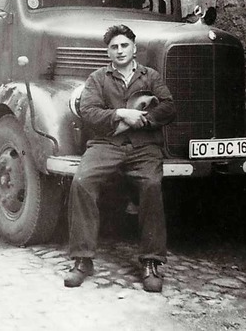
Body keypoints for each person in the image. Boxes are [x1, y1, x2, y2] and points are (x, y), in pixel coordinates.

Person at [64, 24, 176, 292]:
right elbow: (88, 111)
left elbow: (169, 107)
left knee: (151, 185)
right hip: (106, 144)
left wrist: (143, 120)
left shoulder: (150, 76)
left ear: (134, 48)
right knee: (82, 181)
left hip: (144, 146)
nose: (120, 50)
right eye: (114, 47)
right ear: (108, 52)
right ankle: (82, 260)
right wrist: (121, 115)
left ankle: (151, 263)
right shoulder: (97, 79)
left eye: (124, 45)